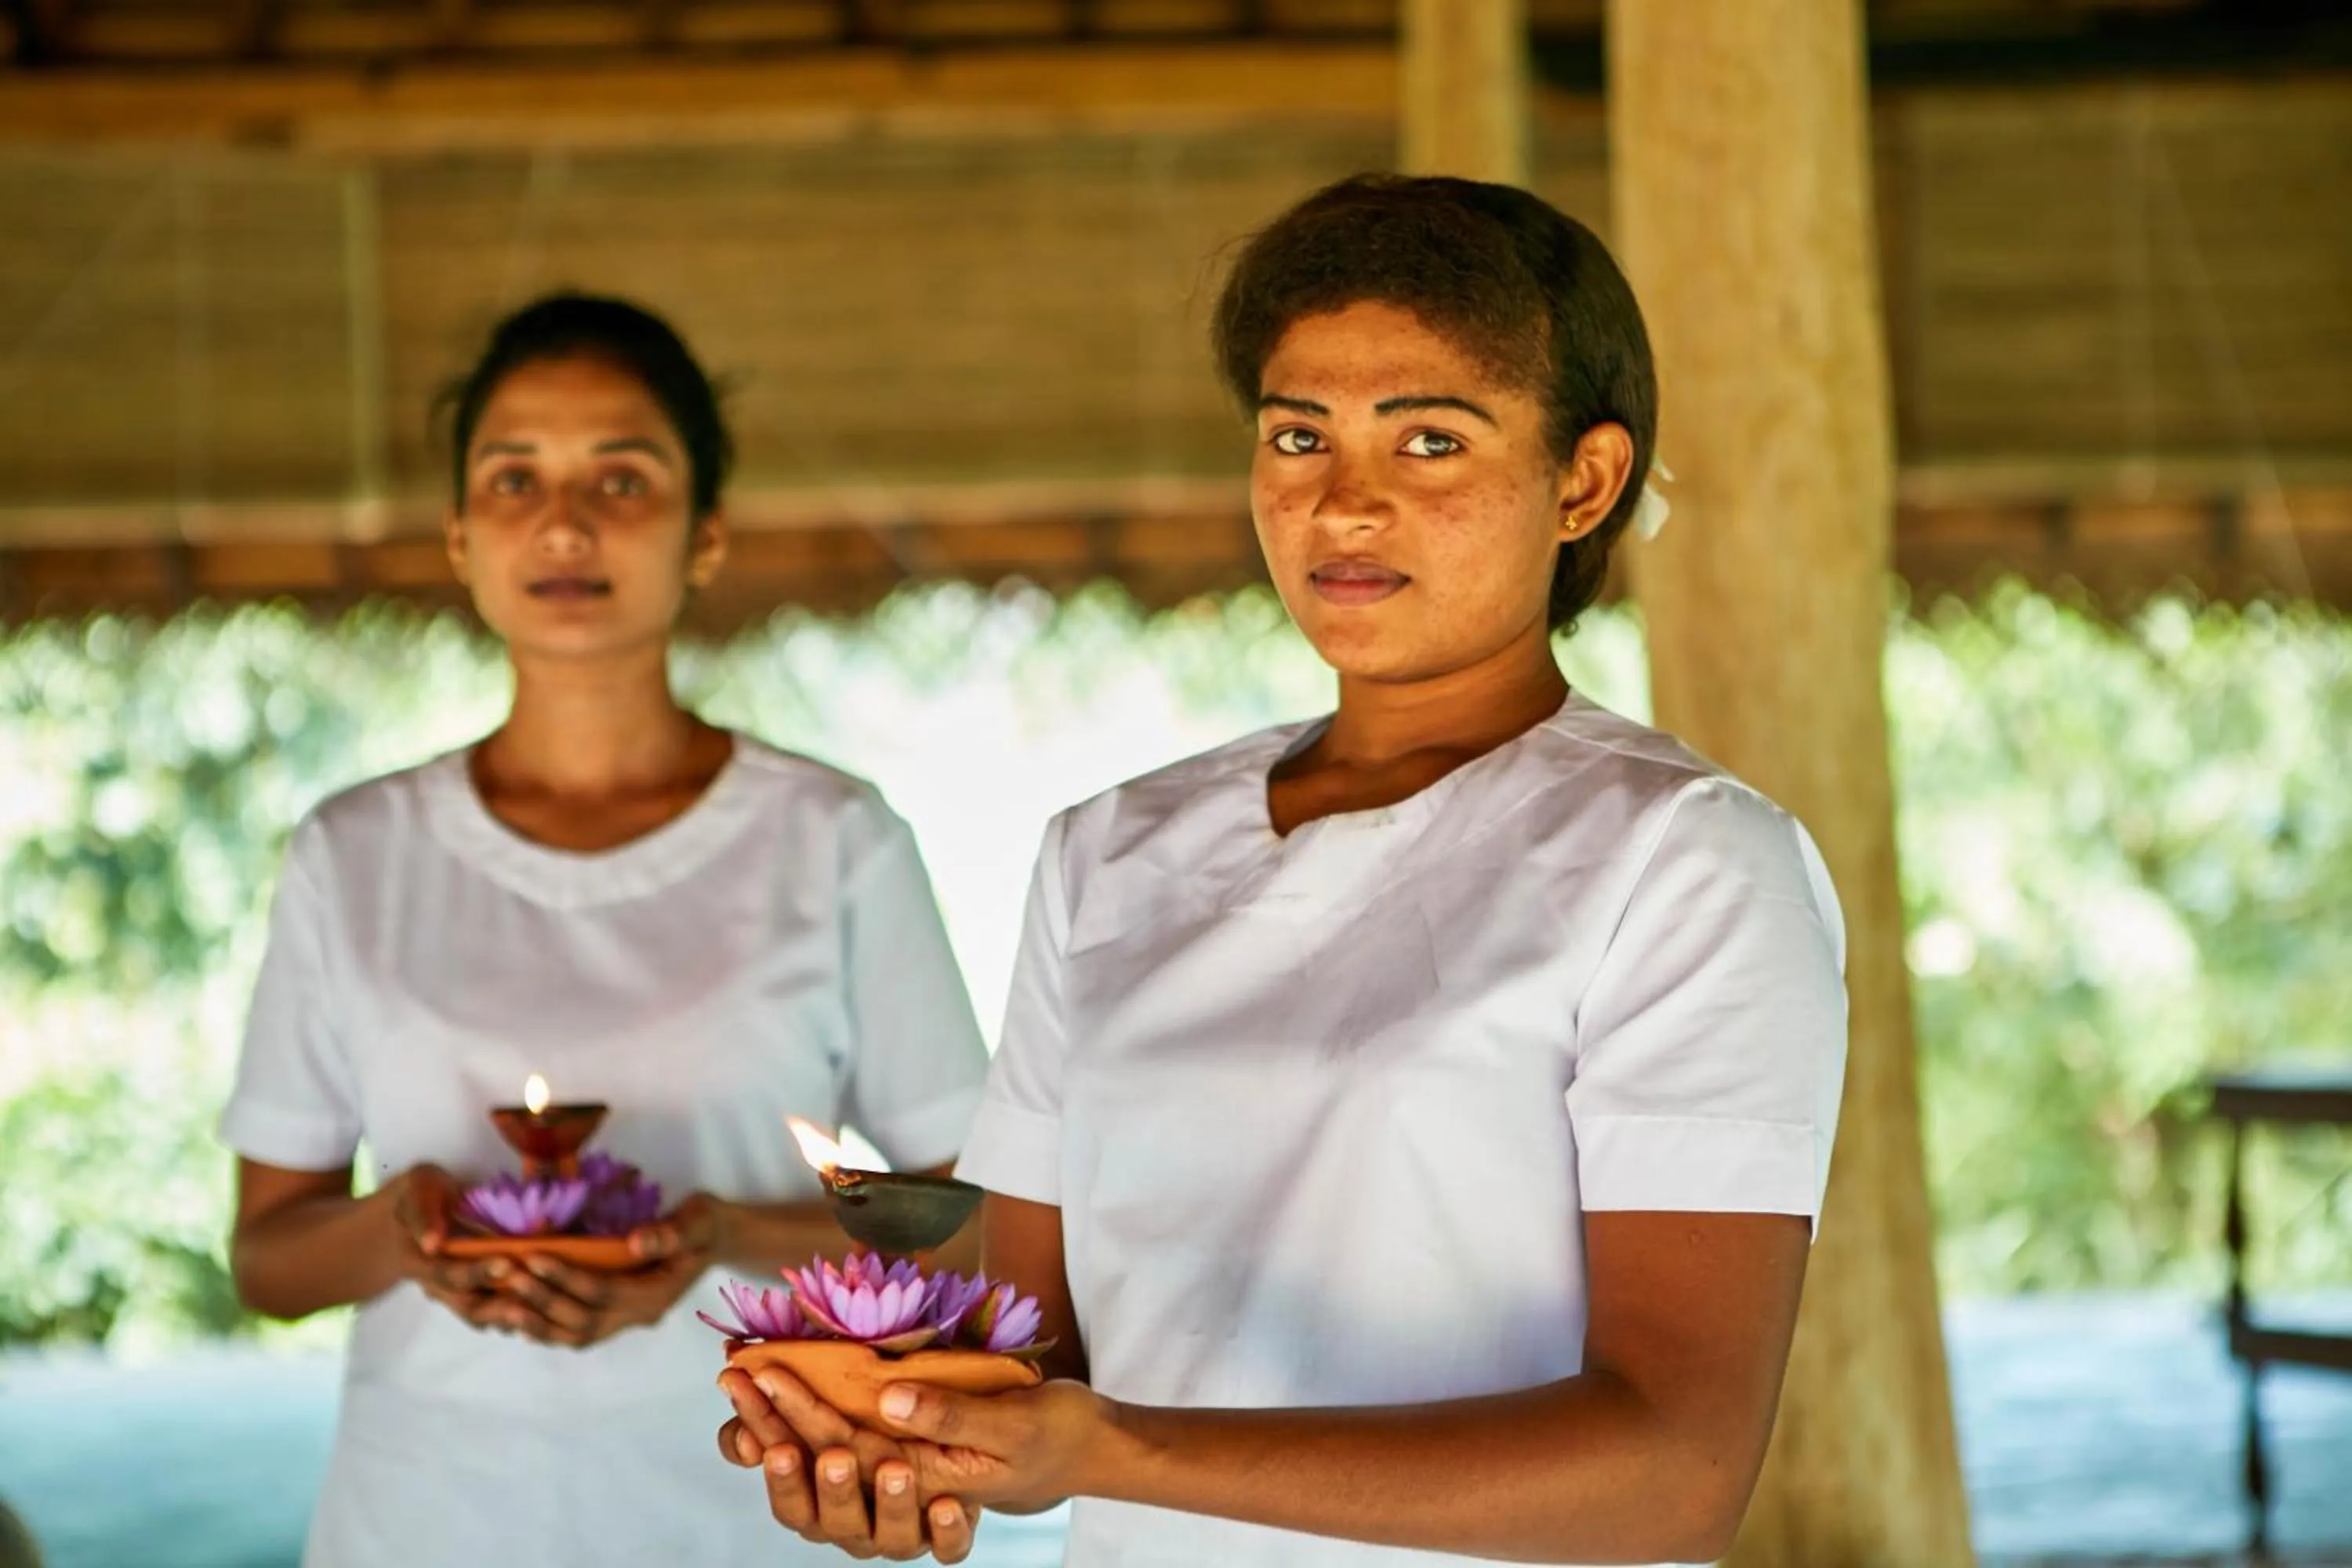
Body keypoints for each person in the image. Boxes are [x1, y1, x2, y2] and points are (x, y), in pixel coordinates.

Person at [719, 175, 1850, 1568]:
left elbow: (1673, 1474)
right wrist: (881, 1425)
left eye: (1431, 440)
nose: (1345, 502)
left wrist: (1113, 1448)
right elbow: (1032, 1352)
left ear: (1585, 482)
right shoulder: (1113, 854)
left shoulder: (1683, 864)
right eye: (1296, 435)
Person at [223, 293, 991, 1566]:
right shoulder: (354, 854)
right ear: (462, 537)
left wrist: (723, 1236)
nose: (566, 522)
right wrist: (406, 1228)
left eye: (622, 478)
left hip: (751, 1511)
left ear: (705, 537)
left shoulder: (830, 839)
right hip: (426, 1514)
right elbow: (268, 1260)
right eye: (515, 477)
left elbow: (982, 1222)